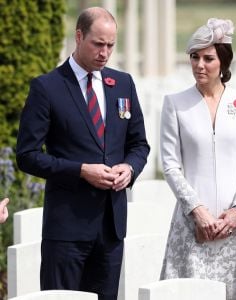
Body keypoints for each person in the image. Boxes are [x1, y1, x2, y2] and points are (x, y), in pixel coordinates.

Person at [16, 7, 150, 300]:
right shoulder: (47, 88)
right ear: (79, 36)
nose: (105, 53)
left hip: (111, 229)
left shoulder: (122, 84)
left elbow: (139, 144)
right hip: (66, 229)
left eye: (111, 45)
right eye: (98, 44)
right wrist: (80, 170)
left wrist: (129, 168)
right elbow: (26, 154)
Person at [159, 18, 236, 300]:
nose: (199, 65)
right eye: (194, 57)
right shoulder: (174, 104)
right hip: (193, 227)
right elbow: (170, 165)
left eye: (208, 58)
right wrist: (198, 211)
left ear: (223, 63)